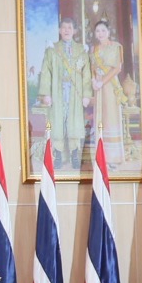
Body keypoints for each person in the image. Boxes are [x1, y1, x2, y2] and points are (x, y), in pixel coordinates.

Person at [37, 14, 88, 170]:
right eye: (64, 28)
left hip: (75, 93)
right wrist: (46, 93)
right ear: (59, 30)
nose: (67, 30)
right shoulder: (52, 50)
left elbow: (87, 74)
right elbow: (46, 71)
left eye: (70, 28)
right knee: (58, 122)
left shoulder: (81, 50)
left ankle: (74, 154)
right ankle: (58, 154)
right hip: (58, 92)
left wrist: (86, 94)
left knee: (74, 122)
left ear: (74, 31)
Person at [88, 17, 126, 151]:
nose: (100, 33)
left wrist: (102, 82)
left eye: (103, 30)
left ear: (108, 32)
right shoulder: (94, 49)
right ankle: (101, 155)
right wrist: (94, 81)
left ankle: (114, 157)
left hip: (110, 85)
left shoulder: (116, 46)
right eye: (97, 31)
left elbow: (117, 68)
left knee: (111, 117)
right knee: (100, 117)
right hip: (98, 86)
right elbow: (91, 67)